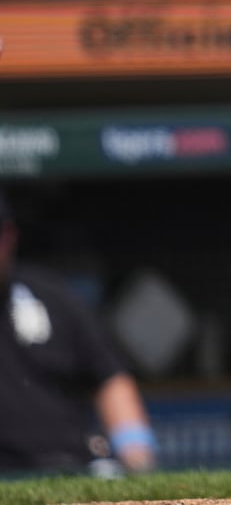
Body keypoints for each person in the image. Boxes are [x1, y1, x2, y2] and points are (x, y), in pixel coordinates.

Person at [0, 187, 158, 475]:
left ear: (9, 235)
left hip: (70, 468)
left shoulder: (53, 297)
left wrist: (136, 454)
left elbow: (110, 379)